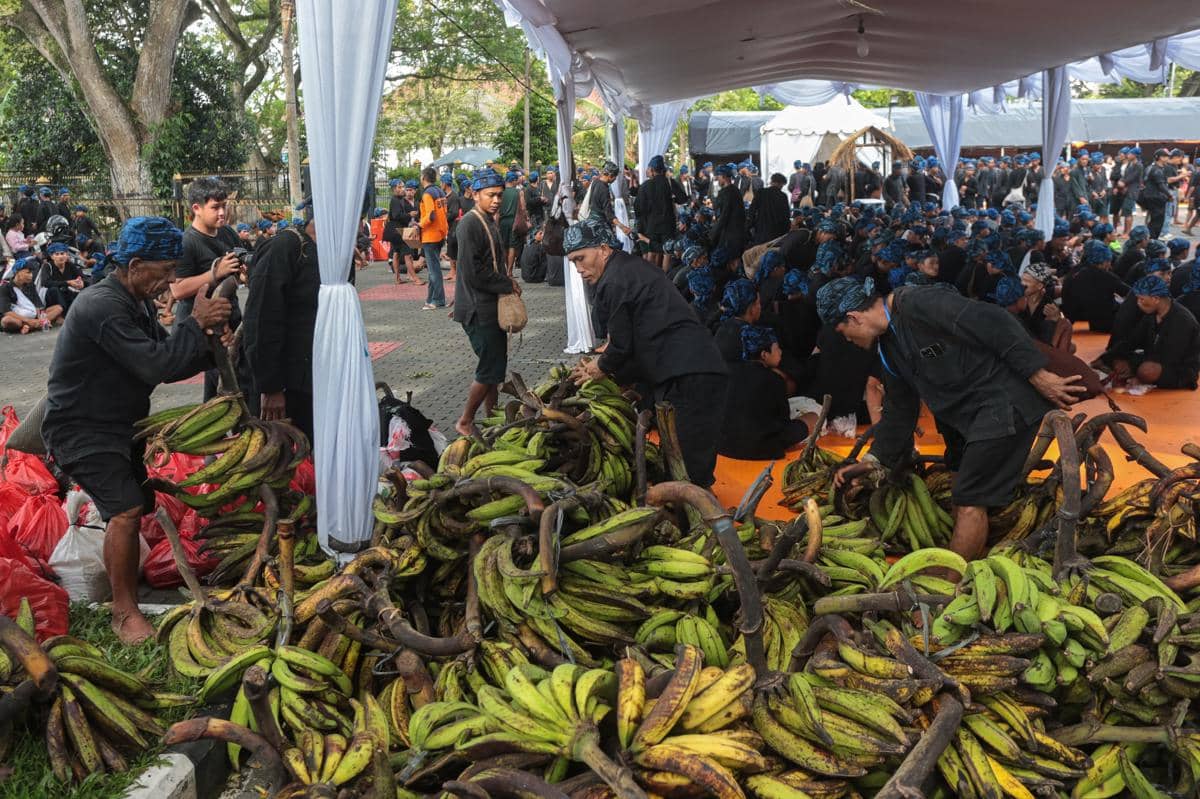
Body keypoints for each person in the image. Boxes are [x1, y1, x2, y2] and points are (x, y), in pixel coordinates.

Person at [42, 217, 232, 643]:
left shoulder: (136, 303)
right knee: (126, 509)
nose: (169, 281)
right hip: (81, 429)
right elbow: (155, 364)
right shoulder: (101, 306)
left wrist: (209, 344)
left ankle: (125, 579)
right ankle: (123, 612)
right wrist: (193, 322)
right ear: (135, 263)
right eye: (163, 271)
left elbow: (167, 360)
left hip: (119, 425)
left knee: (135, 506)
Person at [821, 276, 1086, 563]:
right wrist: (874, 460)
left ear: (854, 317)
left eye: (844, 332)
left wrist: (1038, 374)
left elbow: (994, 320)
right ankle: (970, 551)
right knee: (960, 480)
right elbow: (900, 408)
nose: (848, 340)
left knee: (971, 498)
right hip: (962, 418)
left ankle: (951, 581)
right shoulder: (887, 348)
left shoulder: (918, 303)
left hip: (1001, 404)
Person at [565, 218, 727, 487]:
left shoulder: (615, 281)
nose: (579, 269)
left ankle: (704, 519)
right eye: (573, 262)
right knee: (677, 456)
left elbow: (621, 346)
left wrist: (599, 367)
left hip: (692, 372)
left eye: (581, 258)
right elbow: (631, 338)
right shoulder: (626, 269)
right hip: (682, 369)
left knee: (688, 463)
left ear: (603, 249)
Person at [242, 201, 320, 442]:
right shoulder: (285, 247)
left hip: (316, 378)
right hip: (285, 385)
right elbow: (262, 319)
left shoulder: (336, 251)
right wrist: (271, 387)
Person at [453, 169, 521, 435]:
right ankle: (465, 420)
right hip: (478, 309)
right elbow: (472, 272)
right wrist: (508, 283)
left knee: (495, 369)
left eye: (499, 195)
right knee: (489, 368)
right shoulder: (469, 224)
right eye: (491, 195)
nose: (496, 200)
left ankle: (492, 419)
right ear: (475, 194)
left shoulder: (488, 220)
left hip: (488, 306)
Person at [169, 176, 249, 402]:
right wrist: (215, 273)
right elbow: (178, 290)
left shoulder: (227, 233)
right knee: (229, 392)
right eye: (215, 207)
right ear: (197, 208)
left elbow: (238, 273)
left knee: (218, 394)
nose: (222, 212)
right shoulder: (187, 242)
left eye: (224, 206)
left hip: (230, 321)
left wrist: (242, 274)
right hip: (205, 332)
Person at [718, 325, 817, 460]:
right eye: (777, 349)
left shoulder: (728, 372)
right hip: (762, 448)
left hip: (724, 446)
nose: (780, 352)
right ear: (764, 354)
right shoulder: (775, 380)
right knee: (813, 417)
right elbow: (783, 423)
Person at [1100, 275, 1200, 390]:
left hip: (1179, 369)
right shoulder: (1152, 315)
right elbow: (1132, 341)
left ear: (1156, 299)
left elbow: (1170, 358)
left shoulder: (1182, 321)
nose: (1138, 303)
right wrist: (1106, 357)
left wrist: (1138, 376)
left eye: (1141, 299)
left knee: (1147, 371)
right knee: (1119, 364)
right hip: (1154, 358)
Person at [1061, 239, 1130, 333]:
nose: (1109, 265)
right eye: (1108, 261)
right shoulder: (1105, 275)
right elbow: (1130, 293)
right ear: (1103, 261)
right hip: (1102, 322)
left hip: (1072, 315)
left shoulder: (1074, 271)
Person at [633, 155, 677, 270]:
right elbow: (683, 199)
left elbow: (638, 208)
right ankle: (665, 280)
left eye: (648, 169)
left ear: (652, 170)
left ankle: (650, 280)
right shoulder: (670, 182)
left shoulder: (646, 186)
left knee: (652, 252)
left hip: (652, 225)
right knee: (667, 252)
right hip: (668, 224)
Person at [416, 167, 449, 311]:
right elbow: (443, 213)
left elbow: (430, 215)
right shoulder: (440, 192)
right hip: (441, 233)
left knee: (434, 270)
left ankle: (438, 300)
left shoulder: (427, 194)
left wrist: (419, 225)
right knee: (432, 269)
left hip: (430, 235)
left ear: (423, 177)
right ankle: (430, 299)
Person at [1, 258, 63, 333]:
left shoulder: (30, 285)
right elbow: (7, 311)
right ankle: (31, 325)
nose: (31, 275)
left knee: (58, 308)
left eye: (31, 273)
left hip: (33, 315)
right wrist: (28, 320)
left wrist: (41, 318)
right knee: (6, 320)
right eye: (28, 272)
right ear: (17, 273)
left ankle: (30, 326)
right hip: (18, 318)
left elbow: (38, 304)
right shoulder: (5, 288)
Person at [710, 164, 747, 263]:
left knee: (730, 261)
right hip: (738, 232)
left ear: (723, 176)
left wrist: (713, 233)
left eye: (718, 177)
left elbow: (723, 215)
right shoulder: (736, 191)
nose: (718, 180)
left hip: (729, 234)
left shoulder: (726, 193)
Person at [39, 242, 85, 314]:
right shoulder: (47, 266)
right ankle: (62, 313)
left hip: (67, 293)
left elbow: (82, 276)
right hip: (52, 296)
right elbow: (46, 282)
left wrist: (81, 282)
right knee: (54, 290)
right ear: (52, 256)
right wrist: (67, 282)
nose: (60, 256)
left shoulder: (70, 265)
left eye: (62, 253)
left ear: (66, 255)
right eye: (57, 254)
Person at [748, 173, 790, 245]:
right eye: (782, 185)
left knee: (759, 252)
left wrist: (751, 224)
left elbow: (752, 209)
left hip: (761, 229)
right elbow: (786, 215)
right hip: (777, 232)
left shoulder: (761, 192)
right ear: (780, 183)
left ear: (772, 181)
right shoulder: (783, 196)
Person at [1139, 148, 1171, 241]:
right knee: (1157, 222)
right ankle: (1152, 241)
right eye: (1165, 156)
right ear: (1160, 158)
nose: (1167, 159)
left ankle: (1149, 239)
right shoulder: (1157, 170)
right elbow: (1161, 185)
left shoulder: (1150, 167)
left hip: (1150, 197)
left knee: (1152, 221)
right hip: (1156, 198)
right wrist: (1170, 195)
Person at [498, 171, 523, 275]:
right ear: (513, 180)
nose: (517, 181)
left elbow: (497, 209)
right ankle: (509, 271)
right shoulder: (519, 192)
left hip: (502, 221)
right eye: (516, 179)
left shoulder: (500, 192)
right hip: (514, 221)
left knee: (504, 246)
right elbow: (523, 207)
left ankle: (504, 269)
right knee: (512, 246)